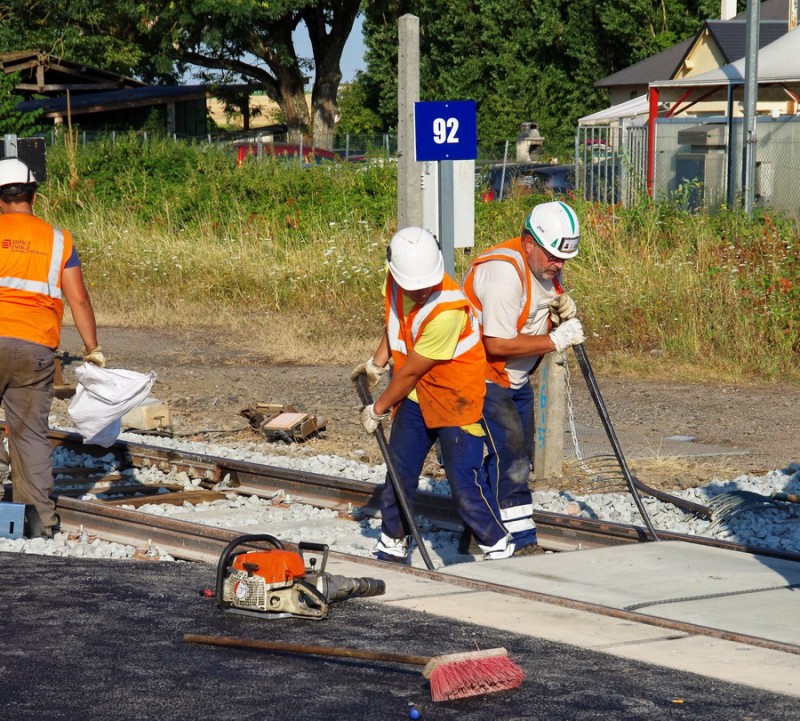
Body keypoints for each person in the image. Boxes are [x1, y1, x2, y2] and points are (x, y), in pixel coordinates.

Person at [351, 226, 513, 563]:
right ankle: (393, 540)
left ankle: (497, 545)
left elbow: (410, 370)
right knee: (399, 472)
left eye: (426, 286)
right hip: (414, 398)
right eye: (415, 287)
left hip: (455, 397)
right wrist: (376, 363)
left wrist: (378, 408)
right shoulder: (397, 279)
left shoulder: (448, 310)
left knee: (463, 482)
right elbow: (395, 319)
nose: (422, 292)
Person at [462, 200, 585, 556]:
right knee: (512, 458)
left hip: (514, 379)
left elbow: (533, 311)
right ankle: (522, 542)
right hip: (483, 376)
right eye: (552, 257)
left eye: (563, 260)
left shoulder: (543, 266)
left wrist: (560, 311)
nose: (558, 265)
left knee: (518, 455)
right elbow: (496, 343)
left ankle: (479, 528)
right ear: (529, 242)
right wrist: (554, 340)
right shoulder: (503, 274)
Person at [0, 157, 105, 539]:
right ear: (33, 194)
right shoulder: (59, 239)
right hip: (35, 349)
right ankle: (39, 524)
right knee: (29, 436)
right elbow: (78, 299)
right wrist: (92, 349)